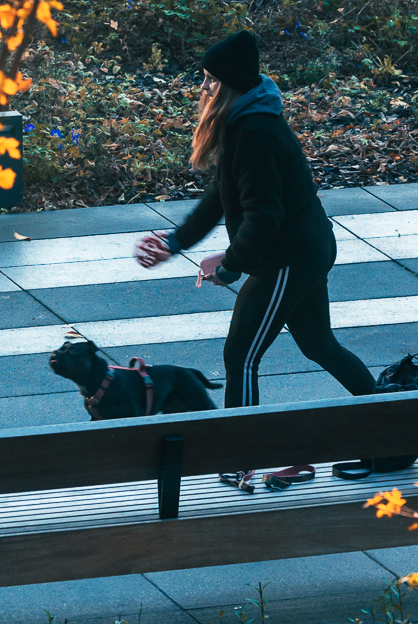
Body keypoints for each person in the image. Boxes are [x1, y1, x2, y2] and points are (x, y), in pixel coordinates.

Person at [134, 30, 377, 489]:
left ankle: (241, 456)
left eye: (208, 81)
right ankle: (395, 426)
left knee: (241, 354)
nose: (202, 88)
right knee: (318, 345)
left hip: (290, 258)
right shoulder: (245, 121)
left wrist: (228, 265)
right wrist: (175, 242)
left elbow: (265, 216)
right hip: (299, 251)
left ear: (227, 86)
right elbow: (222, 197)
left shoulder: (256, 131)